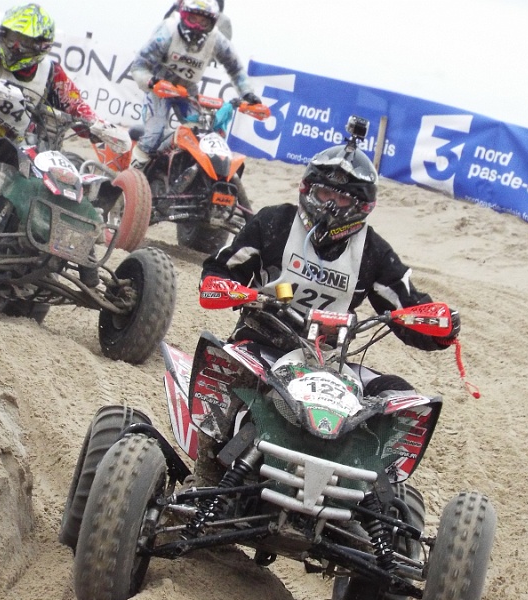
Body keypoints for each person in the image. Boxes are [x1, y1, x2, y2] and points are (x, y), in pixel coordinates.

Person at [195, 126, 460, 484]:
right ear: (308, 188)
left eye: (344, 200)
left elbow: (409, 306)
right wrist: (233, 289)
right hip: (263, 343)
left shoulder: (372, 251)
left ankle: (377, 497)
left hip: (330, 363)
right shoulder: (273, 222)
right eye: (323, 193)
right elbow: (219, 271)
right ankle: (209, 475)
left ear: (362, 205)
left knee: (401, 398)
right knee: (231, 367)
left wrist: (440, 327)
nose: (331, 206)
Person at [0, 3, 101, 159]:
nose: (15, 47)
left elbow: (76, 107)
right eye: (13, 37)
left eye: (25, 41)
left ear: (42, 45)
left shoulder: (52, 73)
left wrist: (100, 129)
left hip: (26, 154)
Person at [128, 0, 260, 170]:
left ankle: (174, 169)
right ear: (184, 15)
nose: (197, 26)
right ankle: (132, 176)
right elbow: (139, 66)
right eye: (193, 19)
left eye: (203, 21)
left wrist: (247, 93)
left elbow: (235, 67)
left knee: (200, 134)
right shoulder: (168, 30)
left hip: (187, 90)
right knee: (153, 134)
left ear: (212, 22)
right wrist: (151, 82)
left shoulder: (217, 39)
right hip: (160, 86)